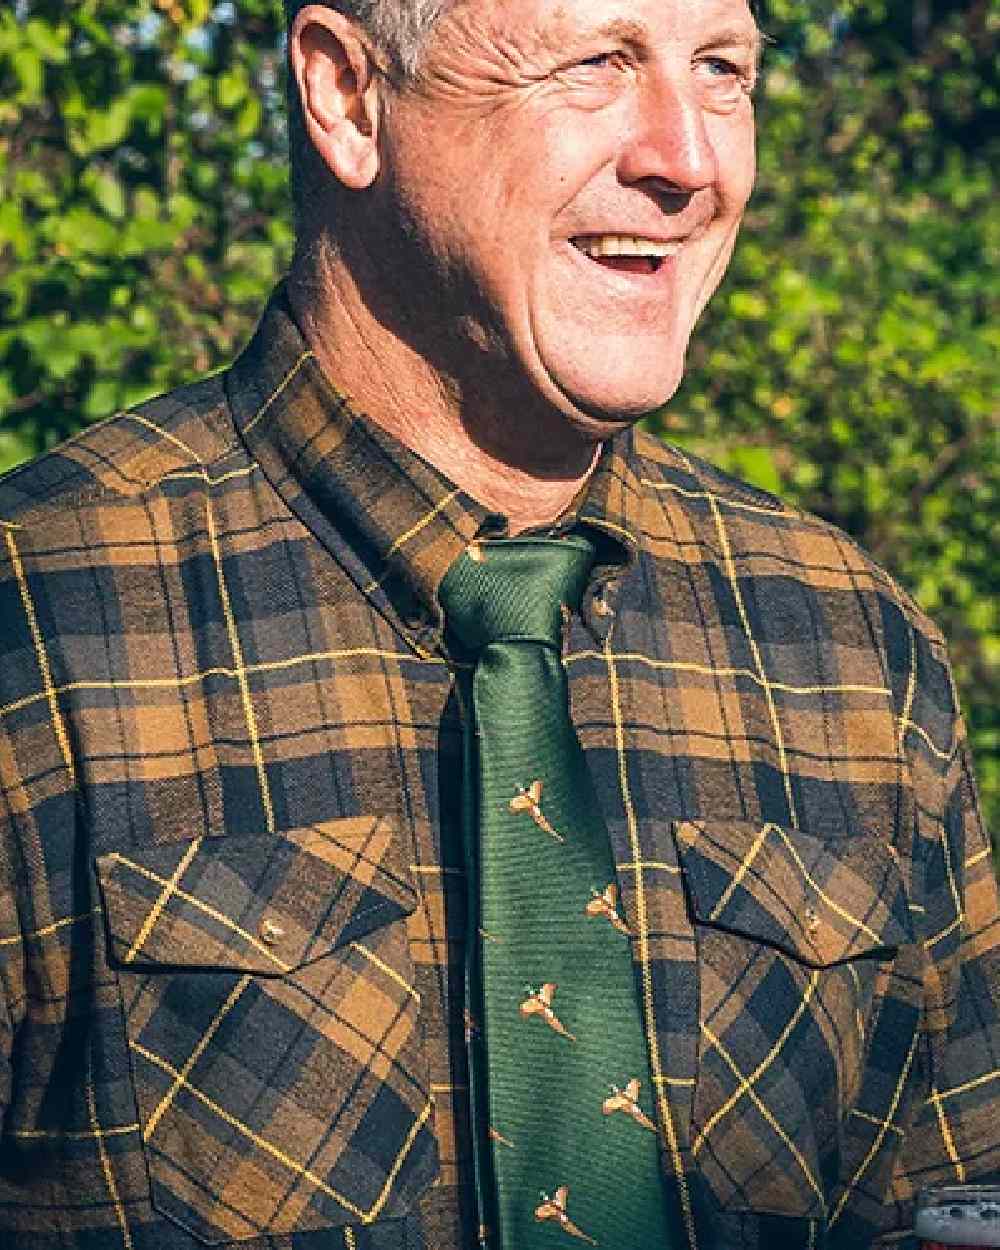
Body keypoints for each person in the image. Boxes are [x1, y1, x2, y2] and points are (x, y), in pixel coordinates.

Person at [0, 0, 996, 1245]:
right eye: (598, 63)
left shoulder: (849, 643)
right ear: (348, 99)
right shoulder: (40, 616)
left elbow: (953, 1188)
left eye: (724, 70)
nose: (688, 160)